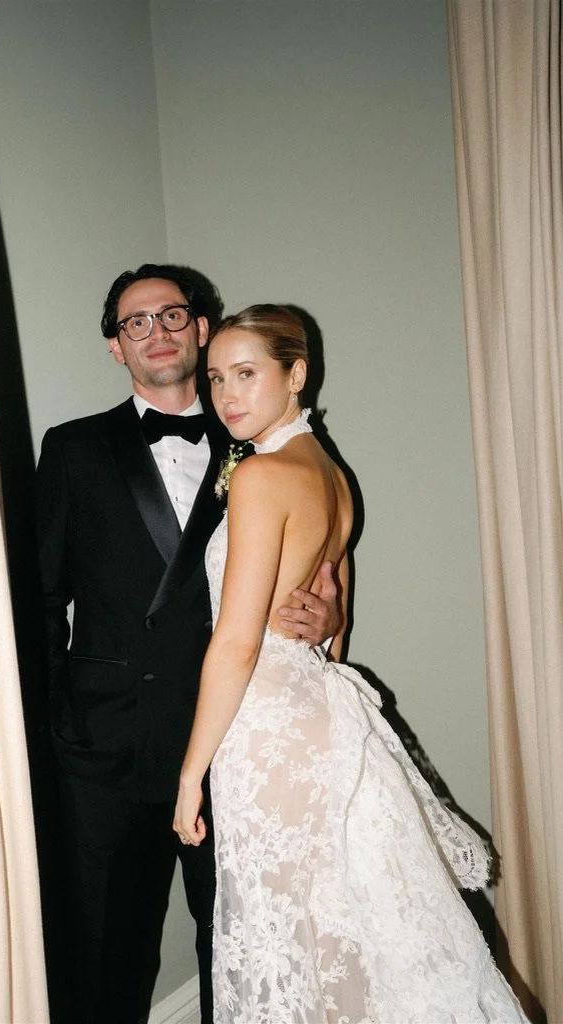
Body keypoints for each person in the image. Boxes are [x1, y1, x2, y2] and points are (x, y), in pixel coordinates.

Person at [173, 304, 528, 1023]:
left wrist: (189, 775)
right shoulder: (333, 475)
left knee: (287, 930)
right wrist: (324, 625)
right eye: (215, 378)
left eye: (246, 373)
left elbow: (238, 642)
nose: (227, 395)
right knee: (333, 924)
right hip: (315, 707)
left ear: (295, 374)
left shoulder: (262, 475)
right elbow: (335, 631)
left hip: (264, 724)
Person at [34, 266, 340, 1024]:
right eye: (135, 322)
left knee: (236, 944)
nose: (157, 332)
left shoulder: (258, 439)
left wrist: (328, 615)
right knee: (104, 955)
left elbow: (316, 559)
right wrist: (54, 727)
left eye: (172, 315)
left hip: (232, 740)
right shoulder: (72, 448)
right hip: (107, 748)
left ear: (201, 329)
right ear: (116, 347)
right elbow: (39, 598)